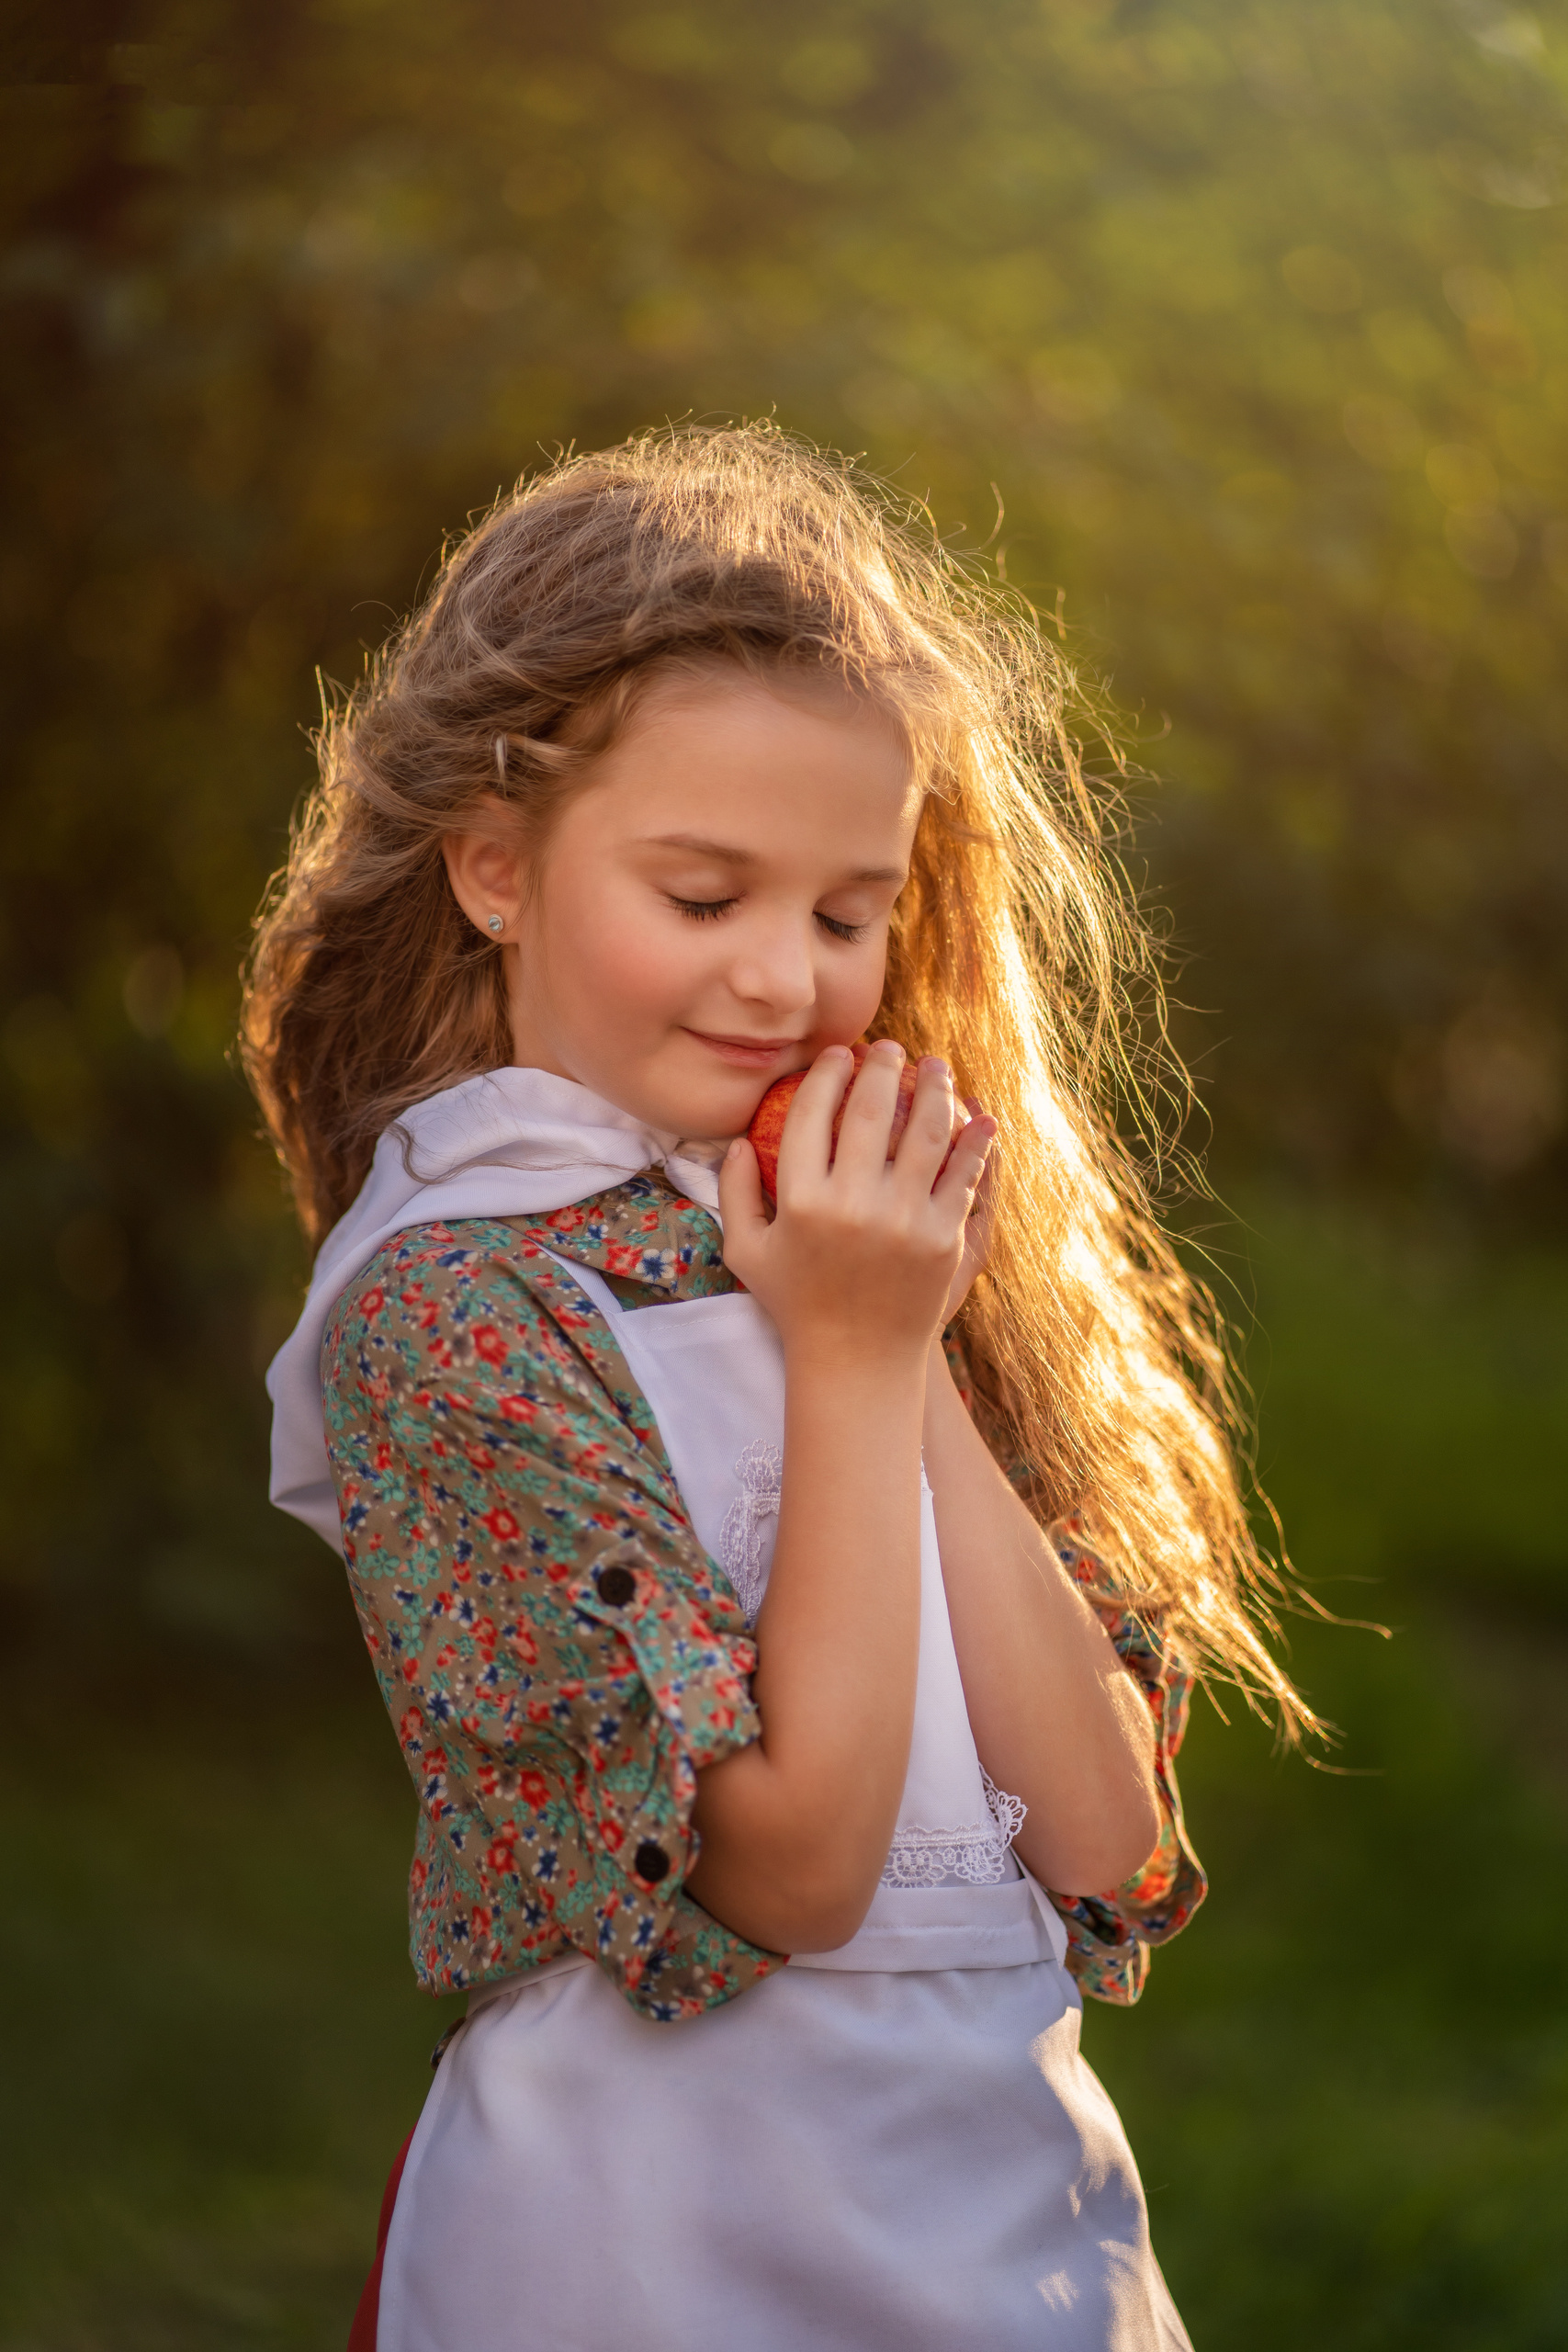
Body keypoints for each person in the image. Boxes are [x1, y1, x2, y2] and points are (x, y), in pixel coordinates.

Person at [247, 423, 1312, 2351]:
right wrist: (846, 1350)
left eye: (842, 913)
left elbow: (1103, 1837)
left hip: (1006, 2223)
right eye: (701, 891)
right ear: (494, 867)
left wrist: (890, 1344)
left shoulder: (848, 1235)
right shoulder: (457, 1310)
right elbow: (795, 1872)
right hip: (651, 2247)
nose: (781, 980)